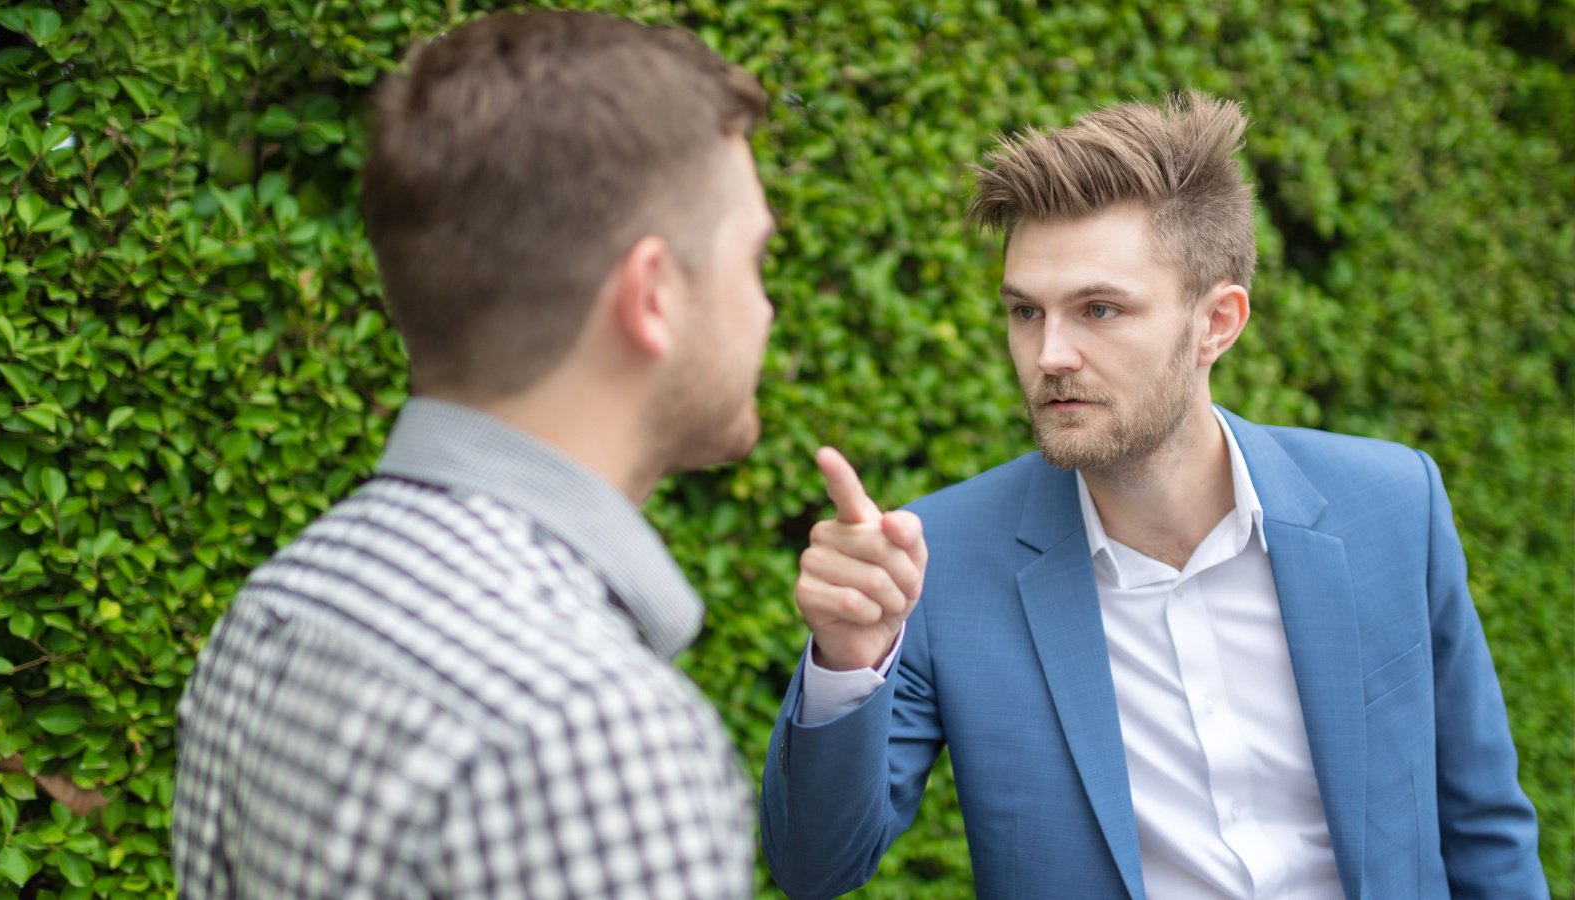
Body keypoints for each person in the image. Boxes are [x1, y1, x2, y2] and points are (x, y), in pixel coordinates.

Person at [760, 91, 1547, 899]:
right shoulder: (937, 560)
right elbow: (814, 868)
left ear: (1218, 323)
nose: (1050, 353)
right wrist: (849, 662)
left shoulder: (1392, 505)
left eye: (1099, 309)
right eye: (1025, 312)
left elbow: (1483, 828)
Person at [173, 10, 774, 897]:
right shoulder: (588, 732)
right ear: (652, 295)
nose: (764, 308)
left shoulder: (285, 597)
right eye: (755, 259)